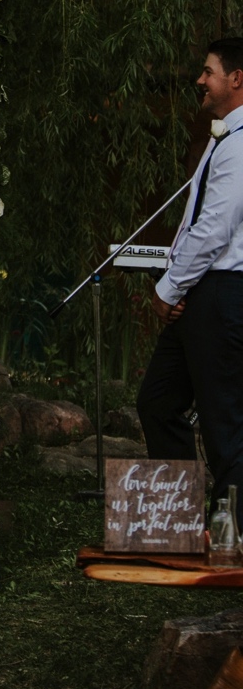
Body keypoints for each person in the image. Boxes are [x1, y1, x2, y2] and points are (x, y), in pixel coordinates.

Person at [139, 37, 243, 512]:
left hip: (222, 291)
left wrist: (169, 287)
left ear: (236, 78)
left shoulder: (242, 144)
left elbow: (214, 229)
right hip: (201, 292)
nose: (200, 80)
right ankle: (180, 519)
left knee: (225, 423)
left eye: (209, 71)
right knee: (158, 401)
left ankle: (232, 536)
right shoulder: (225, 135)